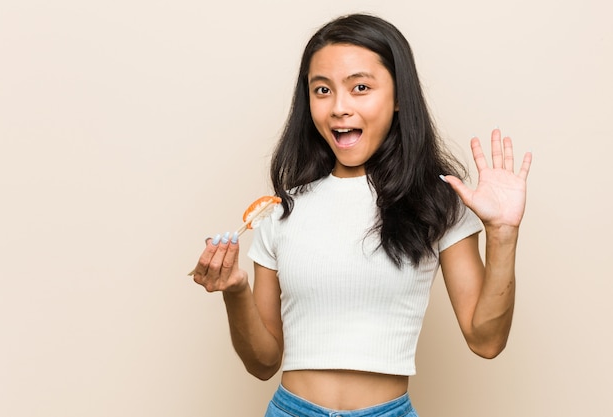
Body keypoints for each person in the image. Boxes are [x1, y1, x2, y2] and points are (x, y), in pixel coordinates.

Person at [191, 13, 531, 417]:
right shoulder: (280, 211)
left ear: (399, 96)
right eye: (322, 90)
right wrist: (234, 291)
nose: (339, 107)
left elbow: (486, 340)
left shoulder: (437, 203)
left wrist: (503, 233)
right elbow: (262, 363)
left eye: (360, 88)